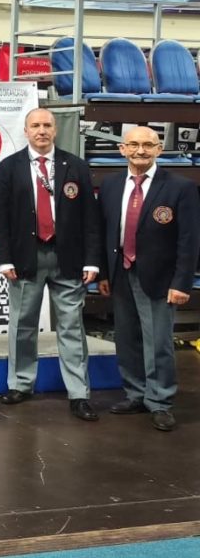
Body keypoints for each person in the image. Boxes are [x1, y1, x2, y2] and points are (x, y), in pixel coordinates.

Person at [0, 108, 101, 421]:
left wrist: (92, 261)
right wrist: (4, 258)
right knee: (22, 324)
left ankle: (79, 394)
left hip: (69, 258)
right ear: (26, 131)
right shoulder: (9, 167)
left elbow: (91, 218)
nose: (41, 131)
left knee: (71, 326)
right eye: (35, 125)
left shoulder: (76, 166)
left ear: (55, 130)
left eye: (47, 125)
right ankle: (20, 384)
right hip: (25, 257)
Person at [97, 126, 200, 432]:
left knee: (158, 342)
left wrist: (181, 282)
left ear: (159, 149)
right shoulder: (111, 185)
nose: (140, 150)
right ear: (122, 150)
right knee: (127, 339)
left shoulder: (181, 187)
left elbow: (189, 240)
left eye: (147, 145)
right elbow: (104, 232)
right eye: (133, 144)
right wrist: (104, 272)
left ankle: (160, 401)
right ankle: (136, 394)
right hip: (121, 272)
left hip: (160, 278)